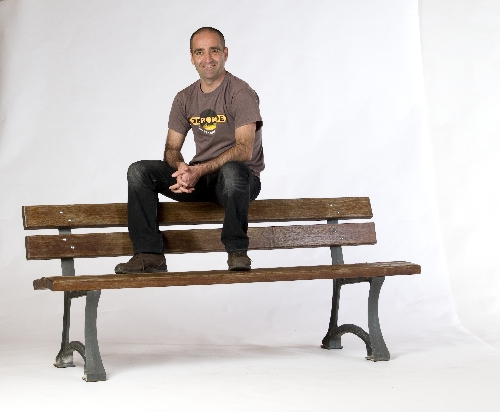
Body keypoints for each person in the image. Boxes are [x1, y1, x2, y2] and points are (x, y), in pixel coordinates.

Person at [115, 27, 264, 274]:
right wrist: (182, 169)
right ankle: (149, 255)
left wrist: (199, 170)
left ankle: (237, 251)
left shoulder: (240, 93)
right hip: (201, 180)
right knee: (139, 172)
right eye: (199, 52)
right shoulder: (184, 98)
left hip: (239, 184)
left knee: (233, 170)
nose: (208, 59)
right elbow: (171, 149)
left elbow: (244, 150)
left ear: (225, 54)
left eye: (214, 51)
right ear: (192, 57)